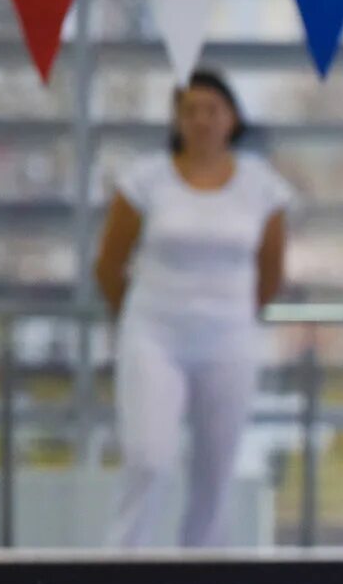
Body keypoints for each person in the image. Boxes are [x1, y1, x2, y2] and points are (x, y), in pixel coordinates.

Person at [93, 70, 295, 548]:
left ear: (233, 119)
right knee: (149, 458)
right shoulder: (145, 179)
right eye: (190, 111)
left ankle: (204, 577)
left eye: (212, 110)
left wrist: (230, 315)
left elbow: (270, 272)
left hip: (228, 340)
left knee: (215, 470)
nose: (202, 121)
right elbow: (108, 265)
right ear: (177, 120)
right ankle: (118, 571)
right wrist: (142, 318)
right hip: (155, 336)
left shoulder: (262, 186)